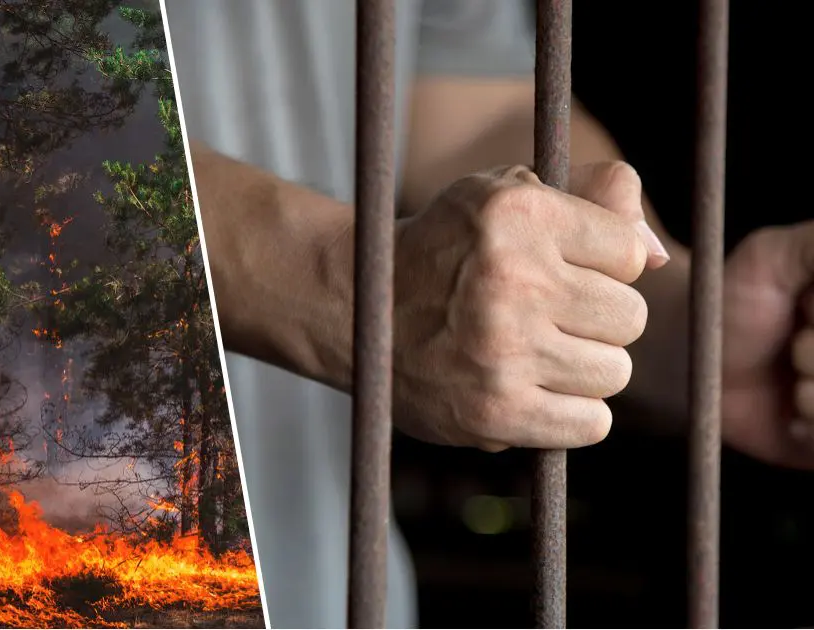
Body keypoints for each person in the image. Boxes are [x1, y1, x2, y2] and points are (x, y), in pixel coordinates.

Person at [163, 1, 814, 627]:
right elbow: (60, 129)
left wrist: (677, 325)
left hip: (325, 589)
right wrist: (347, 286)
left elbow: (469, 108)